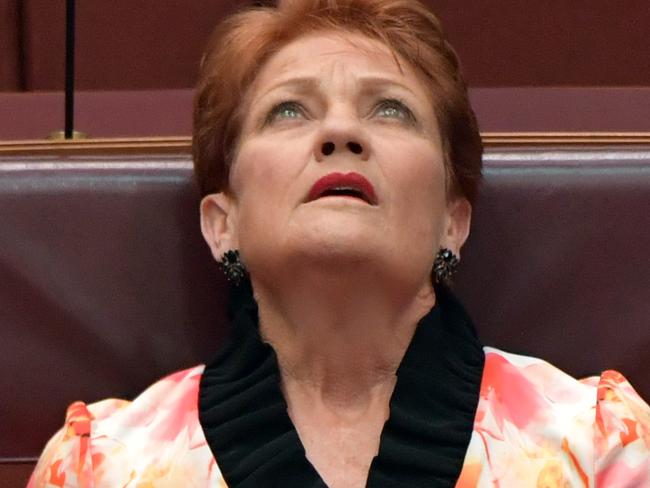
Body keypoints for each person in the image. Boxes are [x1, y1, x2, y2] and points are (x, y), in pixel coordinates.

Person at [28, 0, 650, 486]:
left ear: (452, 222)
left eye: (391, 110)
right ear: (222, 223)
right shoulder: (99, 466)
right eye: (289, 111)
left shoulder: (600, 443)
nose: (341, 131)